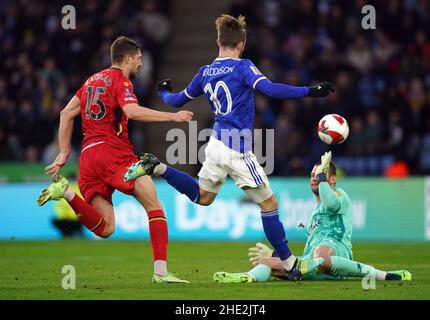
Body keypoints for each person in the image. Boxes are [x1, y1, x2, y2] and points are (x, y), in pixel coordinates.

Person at [124, 15, 334, 280]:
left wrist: (164, 91)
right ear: (242, 43)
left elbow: (176, 101)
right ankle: (291, 265)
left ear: (218, 41)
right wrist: (309, 91)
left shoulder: (205, 72)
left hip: (215, 144)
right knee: (269, 203)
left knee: (204, 196)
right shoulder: (243, 67)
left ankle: (159, 166)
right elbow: (270, 89)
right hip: (236, 147)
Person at [37, 36, 193, 283]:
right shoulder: (121, 82)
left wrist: (64, 153)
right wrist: (173, 118)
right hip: (114, 152)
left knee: (105, 228)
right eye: (139, 59)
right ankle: (161, 273)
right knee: (155, 207)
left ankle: (66, 193)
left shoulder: (90, 81)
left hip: (88, 156)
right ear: (127, 58)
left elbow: (66, 113)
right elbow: (131, 111)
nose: (141, 64)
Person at [212, 152, 412, 283]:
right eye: (312, 176)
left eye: (318, 175)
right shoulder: (313, 215)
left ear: (331, 179)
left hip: (336, 258)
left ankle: (381, 275)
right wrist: (275, 256)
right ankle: (245, 278)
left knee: (320, 253)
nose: (314, 179)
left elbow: (331, 203)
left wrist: (323, 177)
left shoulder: (340, 196)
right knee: (266, 264)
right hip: (312, 264)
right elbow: (308, 255)